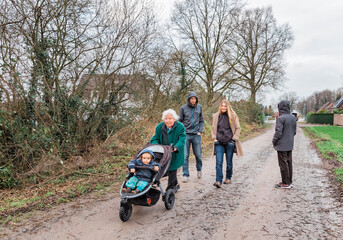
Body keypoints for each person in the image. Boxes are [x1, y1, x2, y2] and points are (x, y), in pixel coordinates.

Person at [150, 109, 186, 192]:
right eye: (166, 119)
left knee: (172, 169)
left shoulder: (180, 126)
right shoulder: (160, 127)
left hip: (175, 152)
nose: (168, 121)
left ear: (174, 119)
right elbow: (155, 138)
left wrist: (176, 147)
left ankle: (170, 189)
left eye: (170, 118)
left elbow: (182, 139)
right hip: (164, 152)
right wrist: (157, 146)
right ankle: (175, 184)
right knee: (165, 169)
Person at [211, 100, 243, 188]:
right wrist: (214, 139)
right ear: (220, 107)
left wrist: (233, 140)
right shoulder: (216, 116)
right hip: (219, 142)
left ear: (228, 107)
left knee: (229, 162)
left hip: (229, 142)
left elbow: (238, 128)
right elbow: (213, 128)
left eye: (225, 106)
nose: (223, 108)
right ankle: (218, 180)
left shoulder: (233, 115)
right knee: (218, 162)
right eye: (222, 106)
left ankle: (228, 177)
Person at [179, 91, 205, 182]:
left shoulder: (199, 107)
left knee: (198, 155)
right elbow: (180, 121)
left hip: (196, 135)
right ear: (189, 99)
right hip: (186, 135)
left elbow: (202, 121)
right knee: (185, 156)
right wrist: (182, 131)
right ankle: (185, 175)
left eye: (194, 99)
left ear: (196, 99)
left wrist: (200, 131)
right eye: (191, 99)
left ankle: (199, 169)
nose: (193, 100)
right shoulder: (183, 108)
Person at [272, 100, 297, 189]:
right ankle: (289, 181)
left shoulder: (280, 118)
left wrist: (274, 141)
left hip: (282, 145)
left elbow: (278, 133)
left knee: (283, 164)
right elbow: (294, 132)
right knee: (289, 163)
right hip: (290, 144)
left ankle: (285, 183)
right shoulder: (293, 117)